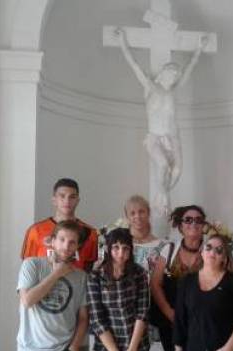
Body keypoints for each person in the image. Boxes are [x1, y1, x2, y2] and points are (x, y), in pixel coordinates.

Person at [115, 27, 208, 214]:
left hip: (173, 136)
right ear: (165, 73)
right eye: (172, 74)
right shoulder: (151, 87)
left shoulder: (173, 91)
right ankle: (162, 198)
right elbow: (134, 66)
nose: (175, 77)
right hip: (155, 137)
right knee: (164, 165)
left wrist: (198, 50)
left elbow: (189, 70)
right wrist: (122, 42)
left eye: (176, 75)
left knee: (177, 170)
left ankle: (161, 194)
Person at [14, 220, 88, 351]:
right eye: (62, 239)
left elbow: (84, 317)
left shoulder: (81, 277)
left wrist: (73, 349)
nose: (66, 246)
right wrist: (57, 274)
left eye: (72, 242)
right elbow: (27, 300)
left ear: (77, 246)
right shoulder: (32, 265)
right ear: (52, 241)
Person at [151, 205, 206, 351]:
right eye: (188, 220)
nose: (194, 223)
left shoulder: (211, 250)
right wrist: (170, 313)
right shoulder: (169, 248)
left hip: (201, 325)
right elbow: (155, 284)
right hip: (172, 322)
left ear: (204, 226)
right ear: (180, 226)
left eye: (198, 220)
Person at [87, 228, 149, 351]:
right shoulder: (96, 276)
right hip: (108, 349)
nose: (120, 253)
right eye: (115, 248)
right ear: (108, 249)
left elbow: (142, 313)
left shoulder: (139, 274)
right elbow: (97, 320)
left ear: (131, 250)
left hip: (137, 346)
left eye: (125, 248)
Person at [20, 178, 98, 271]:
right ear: (54, 200)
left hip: (76, 283)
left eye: (72, 197)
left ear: (78, 200)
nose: (67, 201)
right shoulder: (35, 231)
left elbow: (90, 268)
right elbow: (27, 265)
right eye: (62, 196)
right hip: (44, 283)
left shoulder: (90, 233)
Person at [125, 195, 170, 277]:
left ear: (148, 213)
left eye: (141, 212)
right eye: (132, 213)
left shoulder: (163, 245)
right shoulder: (121, 247)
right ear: (127, 217)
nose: (137, 216)